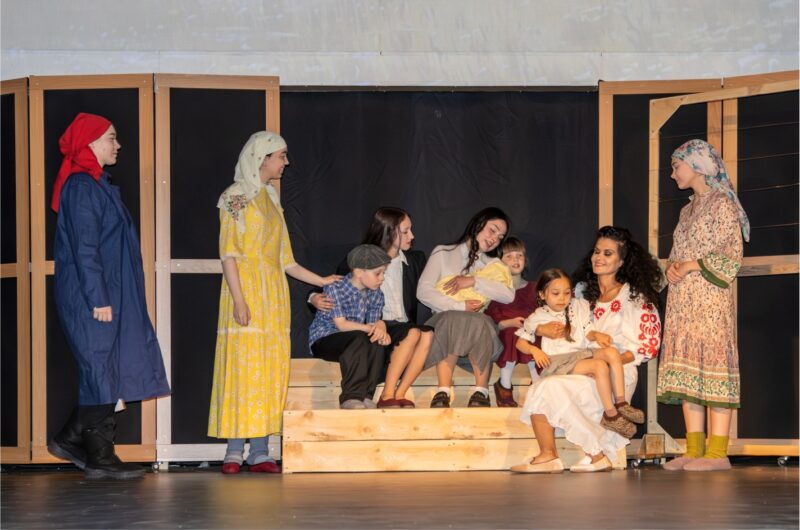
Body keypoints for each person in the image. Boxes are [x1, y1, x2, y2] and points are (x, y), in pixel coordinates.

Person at [48, 113, 170, 480]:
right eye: (111, 138)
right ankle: (97, 453)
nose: (118, 145)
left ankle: (75, 440)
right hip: (91, 297)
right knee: (100, 368)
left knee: (107, 368)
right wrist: (97, 298)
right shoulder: (81, 187)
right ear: (90, 143)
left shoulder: (98, 184)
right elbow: (85, 248)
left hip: (110, 292)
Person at [209, 131, 339, 475]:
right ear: (262, 158)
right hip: (246, 288)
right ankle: (234, 450)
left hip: (273, 295)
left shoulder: (270, 198)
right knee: (242, 368)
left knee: (268, 369)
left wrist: (322, 280)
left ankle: (260, 451)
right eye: (281, 156)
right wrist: (239, 299)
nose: (286, 162)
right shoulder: (235, 197)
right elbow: (228, 253)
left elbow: (286, 260)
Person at [511, 226, 662, 473]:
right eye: (596, 251)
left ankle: (593, 452)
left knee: (548, 387)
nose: (598, 257)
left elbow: (646, 348)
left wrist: (604, 364)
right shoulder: (581, 294)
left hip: (615, 373)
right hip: (578, 364)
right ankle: (552, 455)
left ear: (621, 261)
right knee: (542, 386)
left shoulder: (634, 298)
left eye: (608, 253)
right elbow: (548, 316)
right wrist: (540, 330)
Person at [656, 139, 749, 471]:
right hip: (683, 302)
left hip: (709, 301)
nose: (672, 174)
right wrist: (672, 267)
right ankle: (694, 448)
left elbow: (731, 253)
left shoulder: (722, 204)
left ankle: (718, 453)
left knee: (713, 367)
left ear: (697, 165)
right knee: (688, 373)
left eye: (676, 166)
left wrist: (691, 265)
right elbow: (679, 252)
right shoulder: (687, 209)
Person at [310, 208, 432, 408]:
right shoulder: (363, 258)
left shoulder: (415, 261)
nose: (412, 236)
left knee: (425, 333)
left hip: (389, 325)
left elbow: (429, 289)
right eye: (405, 231)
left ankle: (391, 394)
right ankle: (375, 395)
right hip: (346, 331)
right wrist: (313, 297)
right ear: (389, 232)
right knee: (378, 337)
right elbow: (334, 285)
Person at [515, 268, 644, 439]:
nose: (562, 298)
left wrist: (597, 335)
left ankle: (621, 403)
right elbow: (520, 343)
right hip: (559, 362)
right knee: (599, 366)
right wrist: (535, 351)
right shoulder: (538, 317)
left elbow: (587, 331)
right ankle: (610, 414)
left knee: (612, 353)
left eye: (567, 293)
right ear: (542, 294)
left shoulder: (578, 306)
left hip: (581, 354)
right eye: (555, 293)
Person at [416, 207, 515, 408]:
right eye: (492, 230)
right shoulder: (444, 253)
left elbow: (508, 295)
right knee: (452, 317)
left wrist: (473, 281)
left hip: (477, 328)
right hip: (444, 320)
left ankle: (481, 391)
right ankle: (443, 390)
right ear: (479, 225)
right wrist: (459, 305)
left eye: (500, 237)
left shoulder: (494, 264)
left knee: (482, 320)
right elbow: (423, 291)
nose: (495, 239)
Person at [308, 244, 392, 409]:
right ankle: (351, 396)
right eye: (378, 273)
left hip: (353, 339)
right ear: (359, 272)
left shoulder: (376, 294)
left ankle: (367, 395)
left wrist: (381, 331)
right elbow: (341, 325)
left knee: (375, 340)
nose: (382, 278)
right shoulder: (335, 287)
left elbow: (373, 325)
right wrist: (372, 329)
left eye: (384, 273)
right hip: (325, 339)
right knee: (360, 337)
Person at [484, 237, 539, 407]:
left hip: (530, 333)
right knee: (511, 333)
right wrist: (510, 323)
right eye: (509, 256)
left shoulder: (534, 288)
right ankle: (504, 385)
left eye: (519, 255)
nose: (515, 260)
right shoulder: (495, 291)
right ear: (499, 263)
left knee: (532, 335)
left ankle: (538, 383)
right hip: (506, 333)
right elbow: (492, 320)